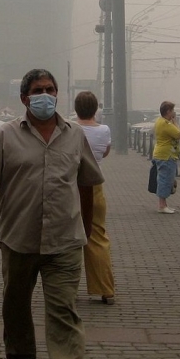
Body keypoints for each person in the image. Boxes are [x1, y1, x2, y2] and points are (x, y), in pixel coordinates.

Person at [0, 69, 104, 359]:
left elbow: (86, 184)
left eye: (51, 89)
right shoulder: (5, 136)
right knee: (15, 303)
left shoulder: (74, 135)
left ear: (58, 94)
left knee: (64, 309)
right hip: (19, 238)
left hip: (65, 239)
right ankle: (19, 357)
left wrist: (86, 228)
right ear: (25, 98)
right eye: (39, 90)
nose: (46, 95)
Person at [74, 91, 115, 305]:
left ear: (76, 108)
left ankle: (66, 288)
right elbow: (105, 152)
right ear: (96, 109)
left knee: (68, 238)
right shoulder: (104, 130)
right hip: (95, 185)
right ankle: (105, 289)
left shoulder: (70, 129)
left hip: (70, 186)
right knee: (97, 236)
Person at [152, 101, 180, 214]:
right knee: (165, 180)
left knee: (165, 179)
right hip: (166, 156)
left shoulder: (160, 121)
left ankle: (164, 204)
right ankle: (162, 206)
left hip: (163, 154)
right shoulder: (165, 123)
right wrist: (175, 122)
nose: (174, 113)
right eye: (172, 111)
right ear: (168, 112)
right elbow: (179, 134)